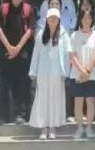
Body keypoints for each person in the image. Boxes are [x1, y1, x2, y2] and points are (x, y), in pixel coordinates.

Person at [0, 0, 35, 124]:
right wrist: (9, 47)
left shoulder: (29, 9)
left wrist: (17, 48)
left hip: (23, 53)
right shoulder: (3, 8)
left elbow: (30, 30)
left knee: (23, 84)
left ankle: (21, 115)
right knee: (5, 84)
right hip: (5, 52)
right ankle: (3, 116)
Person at [28, 8, 72, 139]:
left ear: (58, 20)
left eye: (55, 19)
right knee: (43, 100)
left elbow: (68, 54)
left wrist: (66, 72)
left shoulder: (64, 35)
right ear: (47, 20)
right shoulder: (41, 34)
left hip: (57, 73)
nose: (53, 21)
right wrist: (33, 71)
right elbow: (36, 54)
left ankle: (52, 127)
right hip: (43, 72)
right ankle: (43, 127)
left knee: (55, 100)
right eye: (50, 18)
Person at [70, 8, 95, 139]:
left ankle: (88, 127)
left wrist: (87, 70)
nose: (86, 20)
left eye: (89, 18)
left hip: (91, 74)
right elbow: (72, 55)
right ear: (80, 19)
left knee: (90, 101)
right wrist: (81, 70)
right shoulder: (74, 35)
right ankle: (79, 127)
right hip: (76, 73)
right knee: (78, 101)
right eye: (84, 18)